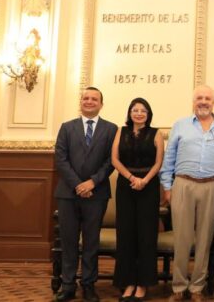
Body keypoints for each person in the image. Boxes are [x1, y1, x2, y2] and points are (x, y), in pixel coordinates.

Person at [160, 85, 214, 302]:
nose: (203, 101)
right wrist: (167, 186)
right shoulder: (180, 125)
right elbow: (169, 158)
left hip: (212, 186)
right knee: (181, 239)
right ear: (193, 102)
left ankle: (197, 288)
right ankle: (179, 286)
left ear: (213, 102)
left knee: (204, 239)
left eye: (207, 98)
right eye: (199, 98)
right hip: (183, 184)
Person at [54, 86, 118, 302]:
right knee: (69, 241)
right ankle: (68, 285)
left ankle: (89, 285)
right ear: (80, 102)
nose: (89, 101)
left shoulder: (111, 129)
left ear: (101, 103)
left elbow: (112, 161)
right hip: (68, 194)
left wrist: (92, 182)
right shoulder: (66, 127)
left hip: (97, 193)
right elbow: (60, 159)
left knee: (91, 242)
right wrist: (78, 185)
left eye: (94, 99)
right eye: (86, 98)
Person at [111, 98, 164, 301]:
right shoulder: (121, 131)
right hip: (126, 186)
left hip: (149, 187)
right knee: (126, 236)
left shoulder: (156, 133)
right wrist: (132, 178)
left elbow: (159, 162)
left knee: (146, 237)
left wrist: (144, 180)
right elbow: (114, 159)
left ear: (148, 114)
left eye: (143, 110)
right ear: (130, 112)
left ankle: (143, 284)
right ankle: (128, 283)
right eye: (135, 110)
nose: (139, 113)